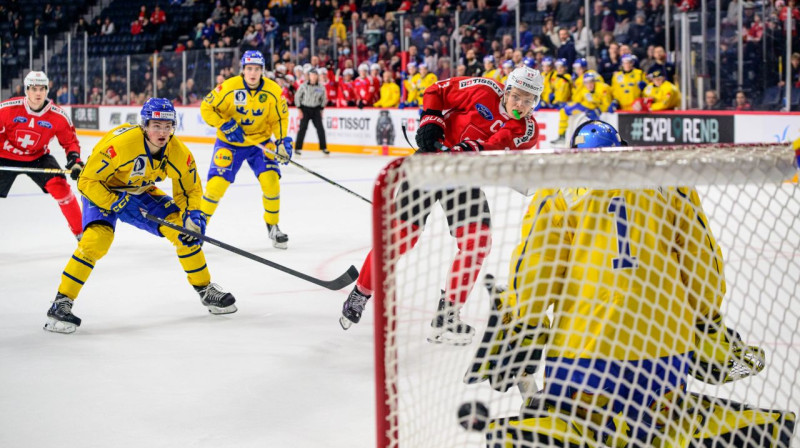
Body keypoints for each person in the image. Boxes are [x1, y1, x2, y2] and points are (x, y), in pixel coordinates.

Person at [471, 121, 786, 446]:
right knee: (661, 433)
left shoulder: (557, 189)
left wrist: (526, 321)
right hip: (665, 342)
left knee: (583, 431)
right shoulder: (670, 184)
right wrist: (707, 318)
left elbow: (537, 265)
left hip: (583, 346)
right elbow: (701, 260)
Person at [339, 67, 545, 345]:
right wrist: (431, 121)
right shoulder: (482, 88)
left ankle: (447, 316)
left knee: (477, 242)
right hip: (431, 162)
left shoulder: (527, 130)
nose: (521, 105)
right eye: (517, 96)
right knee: (400, 238)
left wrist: (470, 151)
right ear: (507, 90)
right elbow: (436, 90)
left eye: (529, 100)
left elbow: (498, 143)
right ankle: (361, 292)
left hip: (463, 177)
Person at [45, 98, 237, 334]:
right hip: (104, 190)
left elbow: (189, 189)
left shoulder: (178, 151)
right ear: (144, 125)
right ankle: (61, 302)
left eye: (168, 126)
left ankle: (206, 291)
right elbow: (87, 180)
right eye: (156, 125)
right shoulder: (122, 145)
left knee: (184, 232)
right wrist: (114, 201)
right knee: (96, 241)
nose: (163, 132)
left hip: (139, 190)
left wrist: (193, 214)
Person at [199, 50, 293, 249]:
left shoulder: (273, 91)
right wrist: (224, 124)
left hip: (260, 142)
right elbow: (206, 108)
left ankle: (273, 226)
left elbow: (280, 119)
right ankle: (197, 228)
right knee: (215, 186)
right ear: (243, 70)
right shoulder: (228, 87)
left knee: (272, 183)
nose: (253, 73)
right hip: (229, 144)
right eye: (249, 68)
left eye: (257, 69)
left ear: (262, 71)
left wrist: (282, 142)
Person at [0, 71, 84, 240]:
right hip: (5, 156)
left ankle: (82, 233)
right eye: (33, 88)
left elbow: (70, 142)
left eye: (42, 89)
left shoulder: (58, 116)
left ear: (47, 90)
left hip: (37, 157)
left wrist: (75, 161)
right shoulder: (7, 109)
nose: (37, 93)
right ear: (26, 90)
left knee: (60, 187)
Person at [294, 68, 328, 155]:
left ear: (317, 76)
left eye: (315, 75)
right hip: (305, 109)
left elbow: (324, 98)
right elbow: (298, 97)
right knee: (302, 128)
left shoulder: (321, 87)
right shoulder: (303, 86)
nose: (313, 77)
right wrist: (299, 109)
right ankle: (298, 148)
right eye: (311, 75)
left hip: (316, 109)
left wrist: (321, 109)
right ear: (309, 76)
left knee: (320, 129)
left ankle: (323, 147)